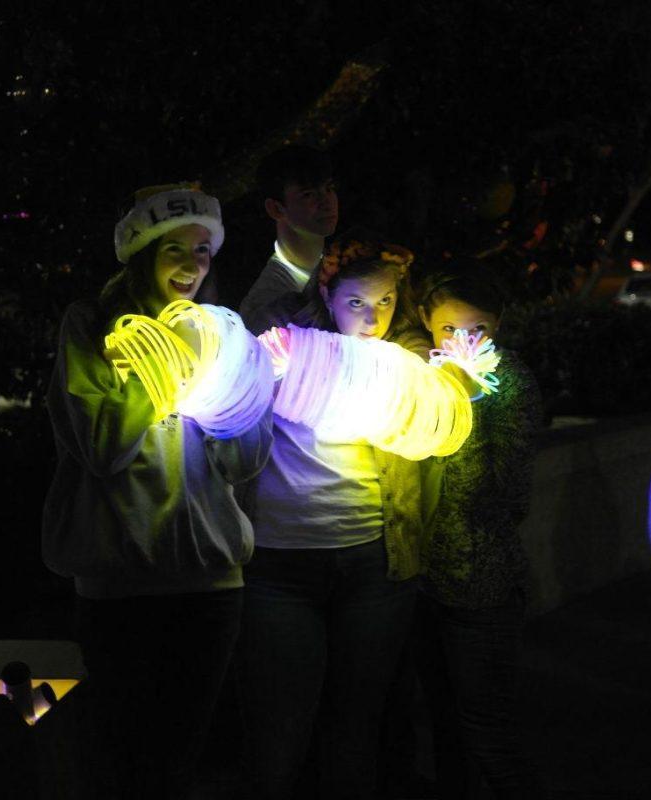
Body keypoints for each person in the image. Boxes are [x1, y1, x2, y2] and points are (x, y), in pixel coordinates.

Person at [42, 183, 273, 799]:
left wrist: (232, 386)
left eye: (203, 249)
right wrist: (168, 364)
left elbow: (246, 459)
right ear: (142, 252)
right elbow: (103, 446)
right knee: (124, 760)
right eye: (176, 248)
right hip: (120, 586)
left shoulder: (222, 338)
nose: (194, 264)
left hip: (209, 584)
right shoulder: (90, 327)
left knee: (181, 758)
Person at [237, 232, 453, 799]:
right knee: (282, 723)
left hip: (373, 561)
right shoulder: (283, 349)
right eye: (357, 301)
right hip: (280, 563)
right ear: (328, 295)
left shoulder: (399, 366)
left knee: (358, 724)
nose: (372, 316)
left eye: (384, 302)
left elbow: (434, 430)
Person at [411, 261, 544, 800]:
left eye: (478, 330)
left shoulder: (507, 381)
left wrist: (463, 406)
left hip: (482, 587)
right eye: (448, 329)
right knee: (445, 731)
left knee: (489, 733)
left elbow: (507, 497)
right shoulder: (418, 375)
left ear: (498, 328)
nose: (462, 342)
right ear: (425, 321)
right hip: (423, 581)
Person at [239, 144, 339, 332]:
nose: (326, 202)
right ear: (276, 209)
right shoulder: (266, 303)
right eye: (308, 195)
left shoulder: (342, 268)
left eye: (329, 188)